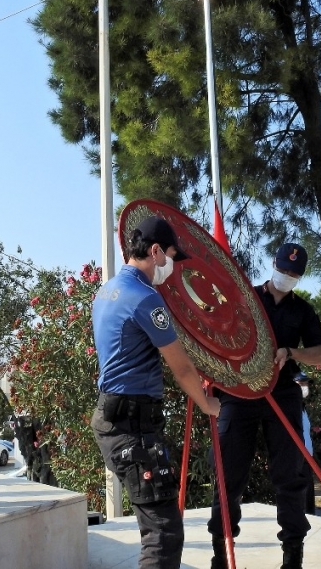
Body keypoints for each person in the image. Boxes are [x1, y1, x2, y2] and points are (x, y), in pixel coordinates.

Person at [91, 216, 220, 569]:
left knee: (155, 525)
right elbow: (182, 368)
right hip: (132, 427)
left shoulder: (107, 290)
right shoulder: (145, 298)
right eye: (172, 258)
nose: (172, 267)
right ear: (155, 251)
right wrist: (208, 404)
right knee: (163, 533)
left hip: (113, 419)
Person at [209, 243, 321, 569]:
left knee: (290, 477)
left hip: (282, 393)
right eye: (283, 269)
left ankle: (293, 557)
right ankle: (221, 554)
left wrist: (291, 353)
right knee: (227, 475)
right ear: (272, 265)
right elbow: (216, 331)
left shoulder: (302, 310)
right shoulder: (245, 298)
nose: (286, 276)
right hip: (239, 393)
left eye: (294, 274)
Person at [294, 371, 316, 514]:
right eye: (301, 384)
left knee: (308, 496)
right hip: (296, 457)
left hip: (307, 458)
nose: (305, 387)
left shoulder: (302, 407)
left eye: (306, 384)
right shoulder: (289, 407)